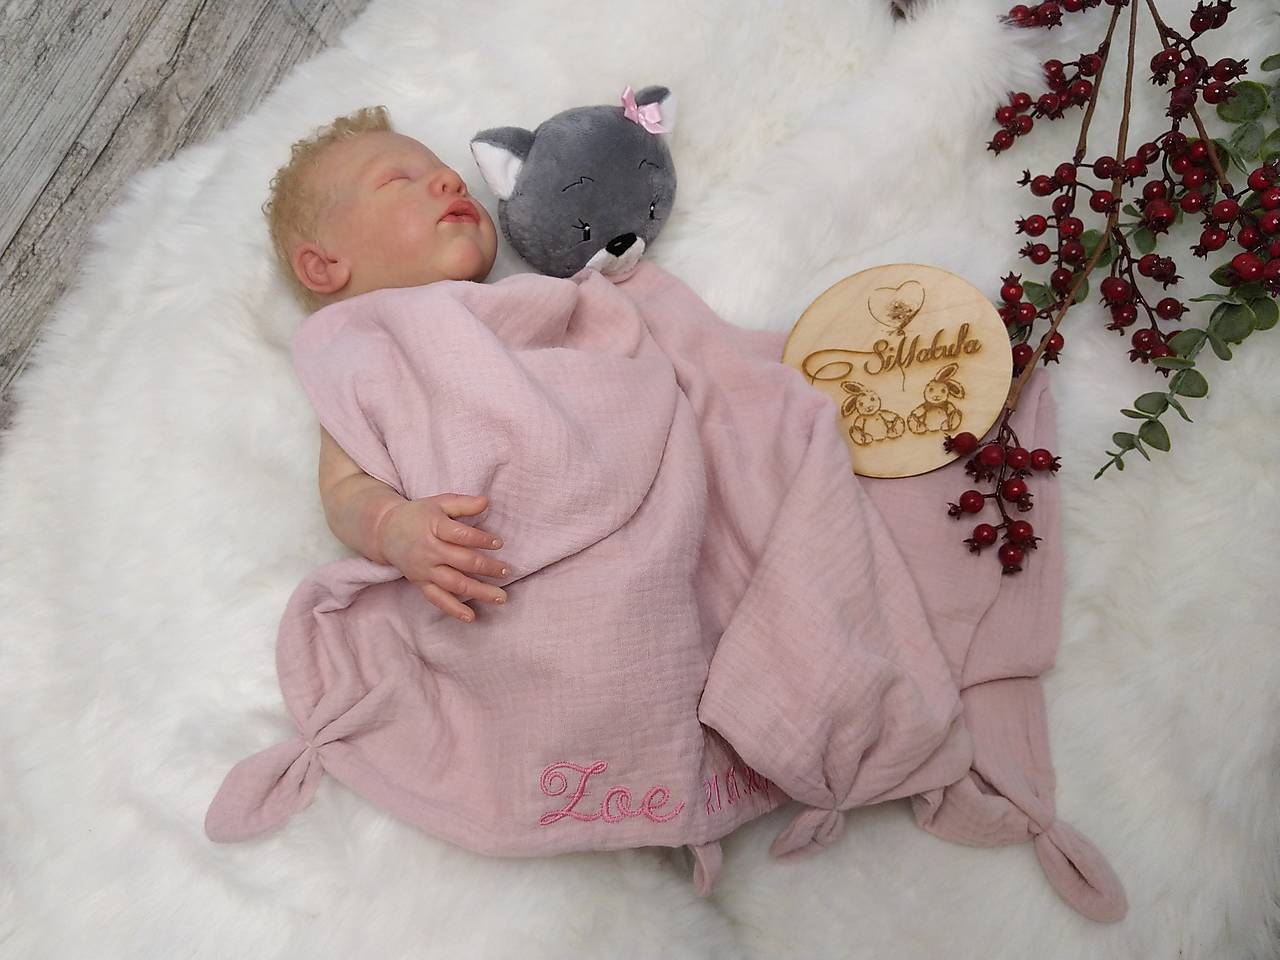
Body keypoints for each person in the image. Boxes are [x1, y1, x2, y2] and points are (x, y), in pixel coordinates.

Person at [265, 105, 509, 625]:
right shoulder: (358, 356)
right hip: (484, 565)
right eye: (399, 180)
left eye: (452, 176)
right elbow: (344, 490)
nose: (452, 180)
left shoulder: (522, 303)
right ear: (325, 265)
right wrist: (393, 527)